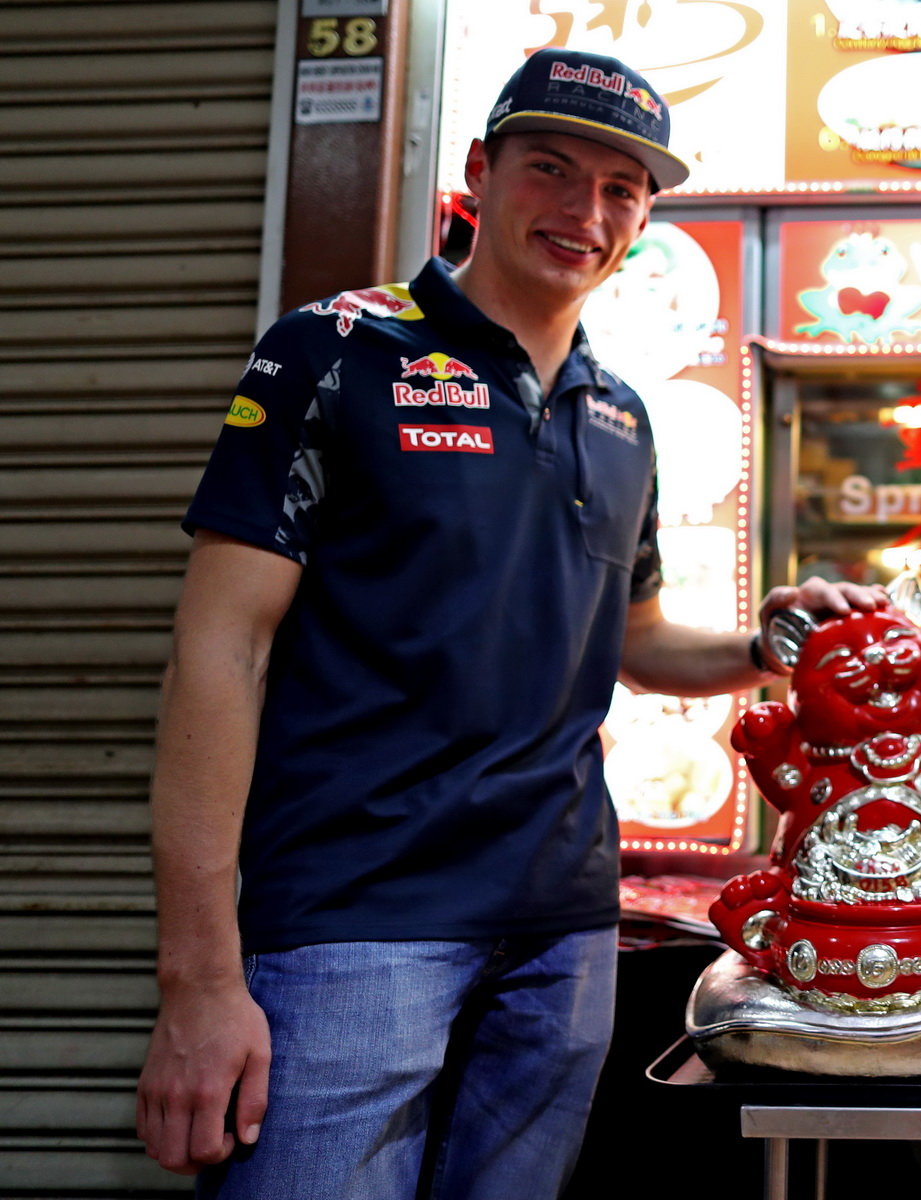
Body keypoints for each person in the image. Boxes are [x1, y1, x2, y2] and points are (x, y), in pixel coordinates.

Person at [133, 48, 882, 1196]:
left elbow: (634, 640)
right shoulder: (333, 352)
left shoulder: (621, 414)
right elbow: (217, 651)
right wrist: (197, 979)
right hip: (355, 921)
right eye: (551, 168)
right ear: (481, 173)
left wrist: (762, 645)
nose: (586, 211)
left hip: (562, 930)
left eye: (623, 189)